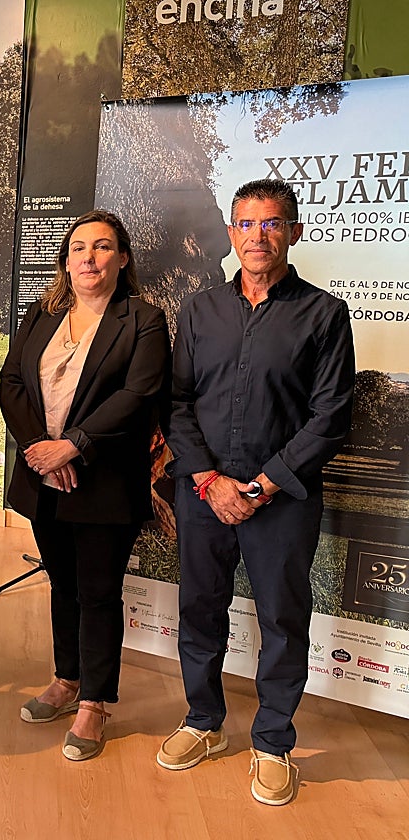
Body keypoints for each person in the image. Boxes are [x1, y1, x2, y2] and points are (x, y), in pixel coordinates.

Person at [158, 179, 355, 806]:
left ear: (294, 233)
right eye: (245, 224)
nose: (257, 236)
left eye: (271, 224)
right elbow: (177, 402)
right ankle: (203, 722)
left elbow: (331, 416)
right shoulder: (198, 311)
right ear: (233, 233)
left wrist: (264, 484)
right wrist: (211, 481)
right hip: (204, 493)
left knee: (282, 618)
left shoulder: (324, 315)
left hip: (284, 500)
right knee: (200, 609)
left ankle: (272, 743)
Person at [0, 210, 170, 760]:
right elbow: (13, 382)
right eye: (78, 249)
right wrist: (41, 453)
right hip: (44, 476)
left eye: (102, 248)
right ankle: (66, 679)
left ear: (122, 259)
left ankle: (95, 703)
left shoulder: (142, 319)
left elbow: (138, 396)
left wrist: (73, 445)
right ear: (65, 261)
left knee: (98, 593)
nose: (89, 258)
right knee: (63, 585)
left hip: (104, 482)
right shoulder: (42, 313)